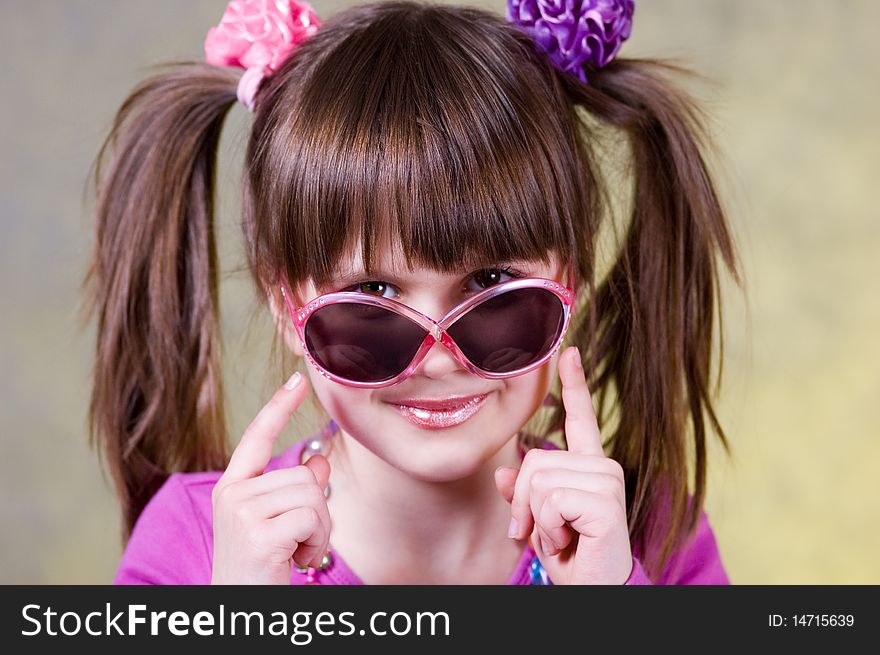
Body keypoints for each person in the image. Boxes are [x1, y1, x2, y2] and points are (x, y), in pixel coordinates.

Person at [84, 0, 740, 585]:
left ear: (566, 281)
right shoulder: (196, 543)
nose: (437, 353)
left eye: (491, 284)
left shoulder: (644, 534)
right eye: (372, 292)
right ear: (290, 307)